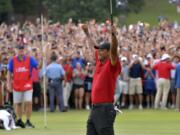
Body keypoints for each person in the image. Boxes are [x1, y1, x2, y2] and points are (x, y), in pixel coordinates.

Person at [82, 24, 121, 135]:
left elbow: (114, 50)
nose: (99, 52)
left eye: (102, 50)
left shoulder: (112, 64)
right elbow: (92, 46)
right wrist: (87, 33)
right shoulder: (99, 62)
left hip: (105, 109)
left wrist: (113, 35)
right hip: (95, 109)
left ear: (108, 52)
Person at [7, 44, 38, 128]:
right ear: (16, 51)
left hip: (27, 84)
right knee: (18, 104)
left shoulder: (29, 59)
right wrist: (8, 83)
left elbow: (38, 65)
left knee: (28, 102)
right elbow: (9, 73)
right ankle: (20, 120)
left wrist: (43, 57)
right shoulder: (12, 60)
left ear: (24, 51)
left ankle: (28, 121)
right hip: (17, 85)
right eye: (19, 50)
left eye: (22, 50)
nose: (21, 51)